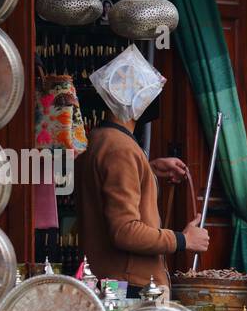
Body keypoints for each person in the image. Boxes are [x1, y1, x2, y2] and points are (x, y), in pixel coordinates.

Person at [76, 46, 209, 289]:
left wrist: (148, 169)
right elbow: (125, 231)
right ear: (138, 98)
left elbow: (110, 181)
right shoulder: (121, 149)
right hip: (130, 287)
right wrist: (183, 240)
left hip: (116, 281)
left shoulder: (101, 138)